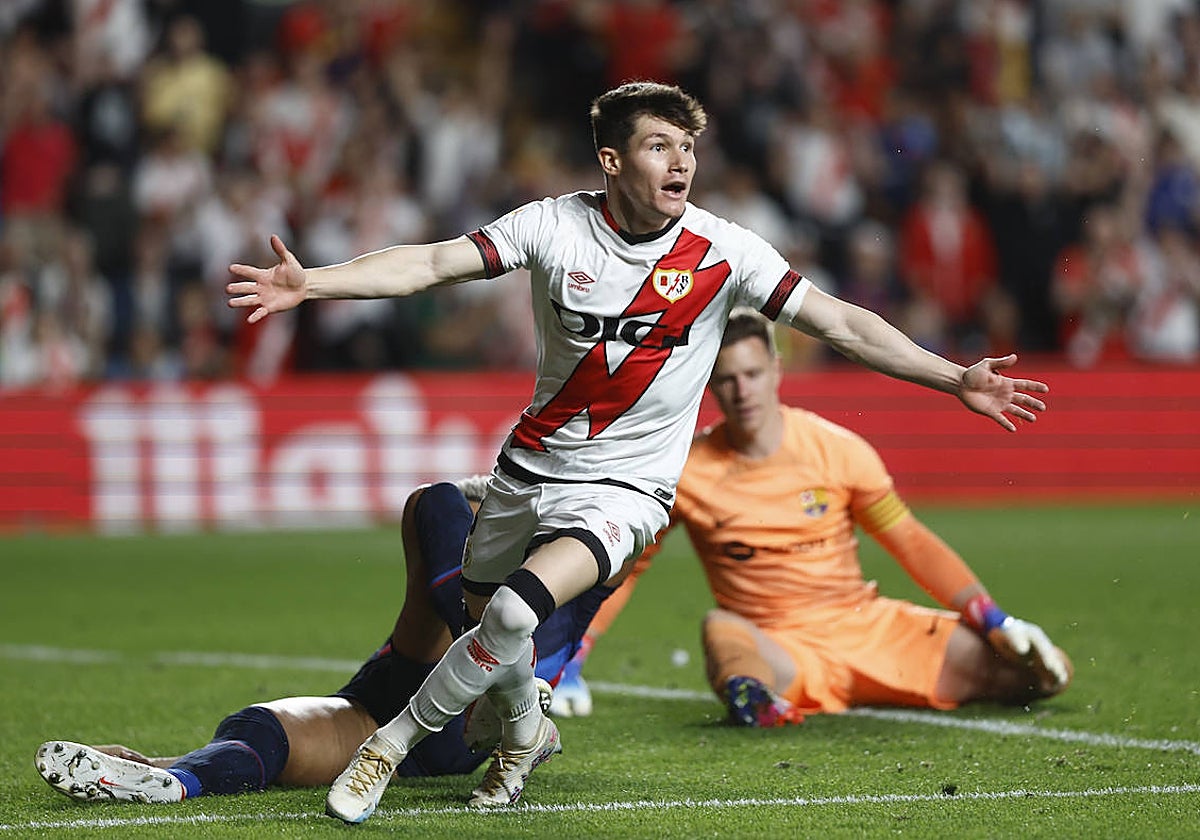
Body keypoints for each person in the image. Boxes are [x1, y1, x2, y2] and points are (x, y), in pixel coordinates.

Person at [225, 81, 1050, 822]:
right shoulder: (553, 226)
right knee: (488, 628)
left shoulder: (725, 251)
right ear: (613, 160)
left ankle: (387, 749)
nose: (681, 162)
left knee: (515, 612)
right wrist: (315, 282)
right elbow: (434, 264)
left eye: (688, 148)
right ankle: (522, 740)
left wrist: (953, 377)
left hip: (628, 488)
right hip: (531, 467)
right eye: (661, 146)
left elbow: (840, 322)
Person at [565, 309, 1071, 726]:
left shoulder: (838, 450)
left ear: (777, 371)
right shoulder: (684, 472)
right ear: (707, 386)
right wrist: (572, 657)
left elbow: (911, 542)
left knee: (1049, 673)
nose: (742, 391)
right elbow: (626, 569)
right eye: (726, 380)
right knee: (723, 630)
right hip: (780, 650)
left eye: (753, 374)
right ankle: (757, 701)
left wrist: (993, 617)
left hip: (870, 632)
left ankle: (778, 697)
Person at [35, 478, 614, 804]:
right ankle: (178, 778)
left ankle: (491, 671)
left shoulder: (602, 525)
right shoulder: (605, 533)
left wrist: (496, 496)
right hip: (418, 724)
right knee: (263, 732)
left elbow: (440, 503)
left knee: (435, 505)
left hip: (425, 689)